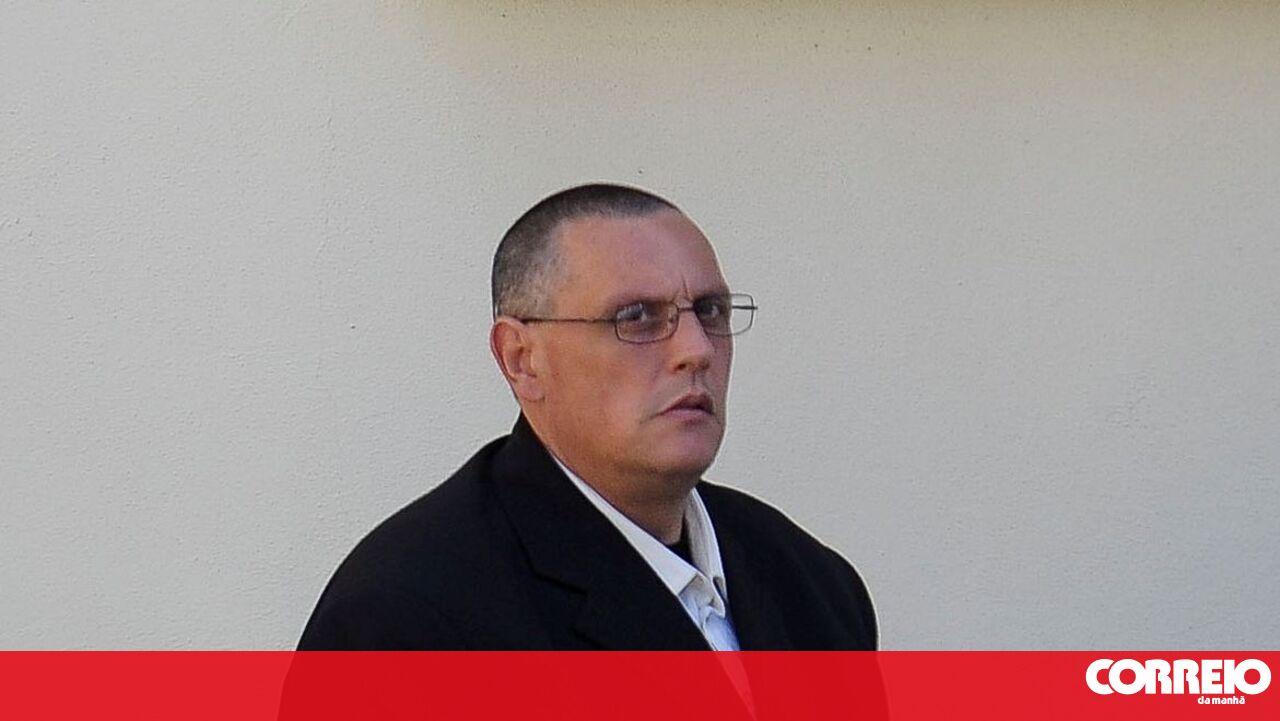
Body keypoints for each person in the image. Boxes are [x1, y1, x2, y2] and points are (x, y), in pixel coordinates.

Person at [297, 183, 877, 650]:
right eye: (637, 317)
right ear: (522, 359)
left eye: (710, 311)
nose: (696, 349)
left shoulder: (810, 584)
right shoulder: (408, 617)